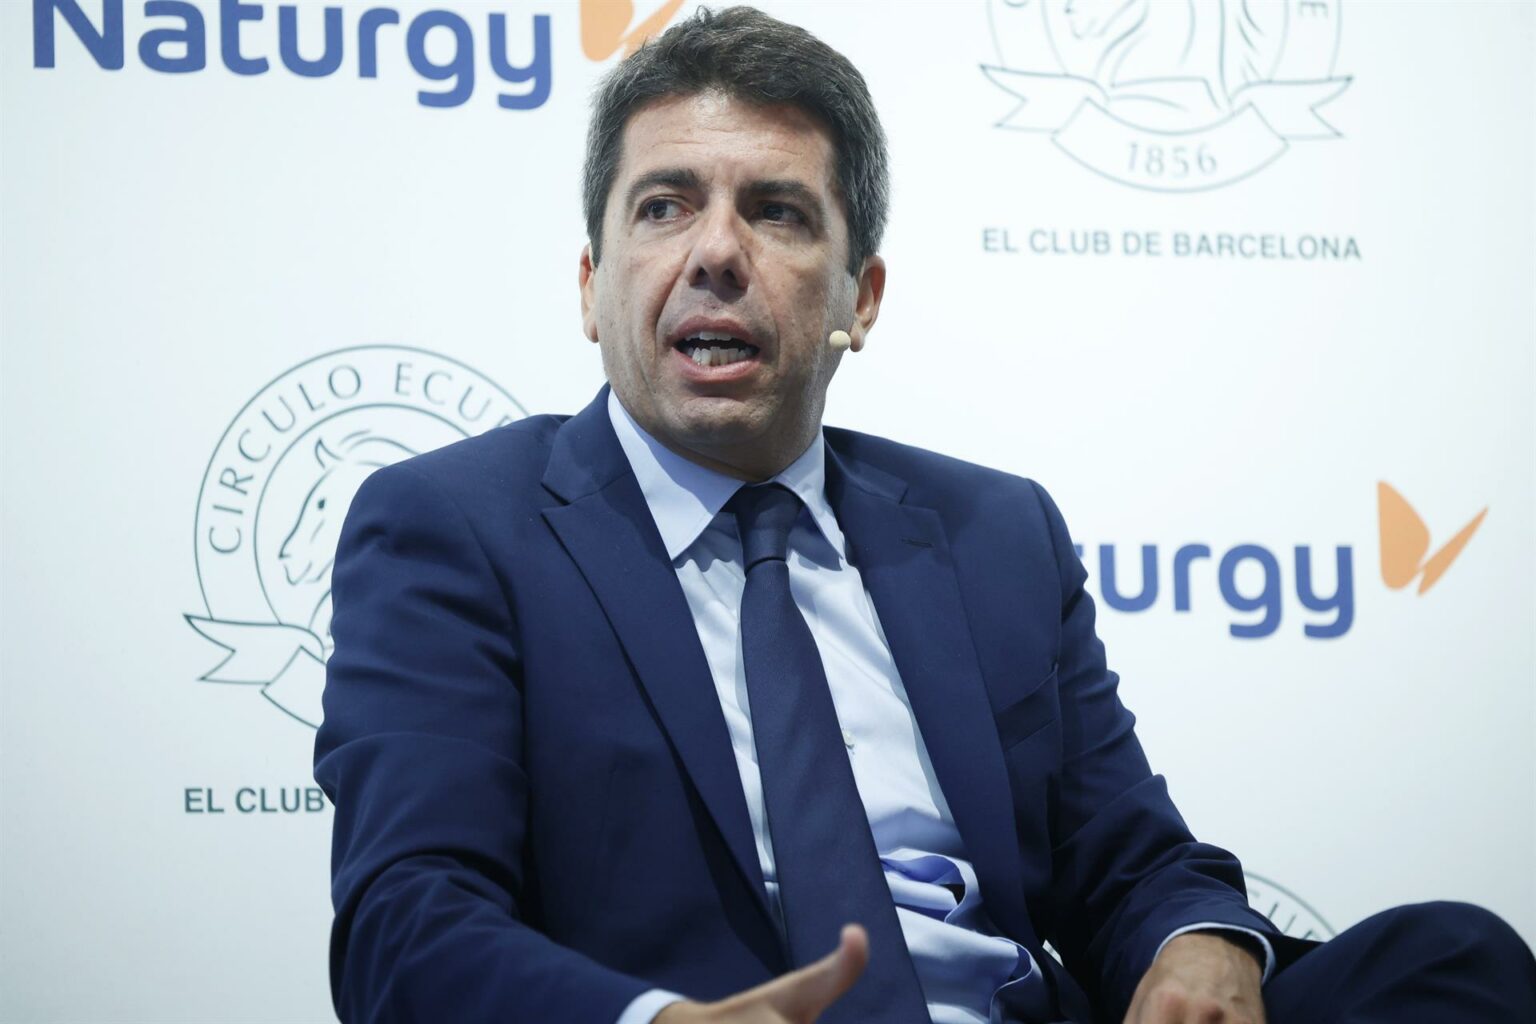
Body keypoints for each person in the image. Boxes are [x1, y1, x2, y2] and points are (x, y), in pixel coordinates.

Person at [313, 7, 1536, 1023]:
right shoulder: (455, 529)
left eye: (778, 211)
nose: (717, 252)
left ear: (863, 297)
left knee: (1453, 960)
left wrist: (1197, 941)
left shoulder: (993, 534)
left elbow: (1132, 864)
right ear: (591, 287)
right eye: (665, 205)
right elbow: (407, 924)